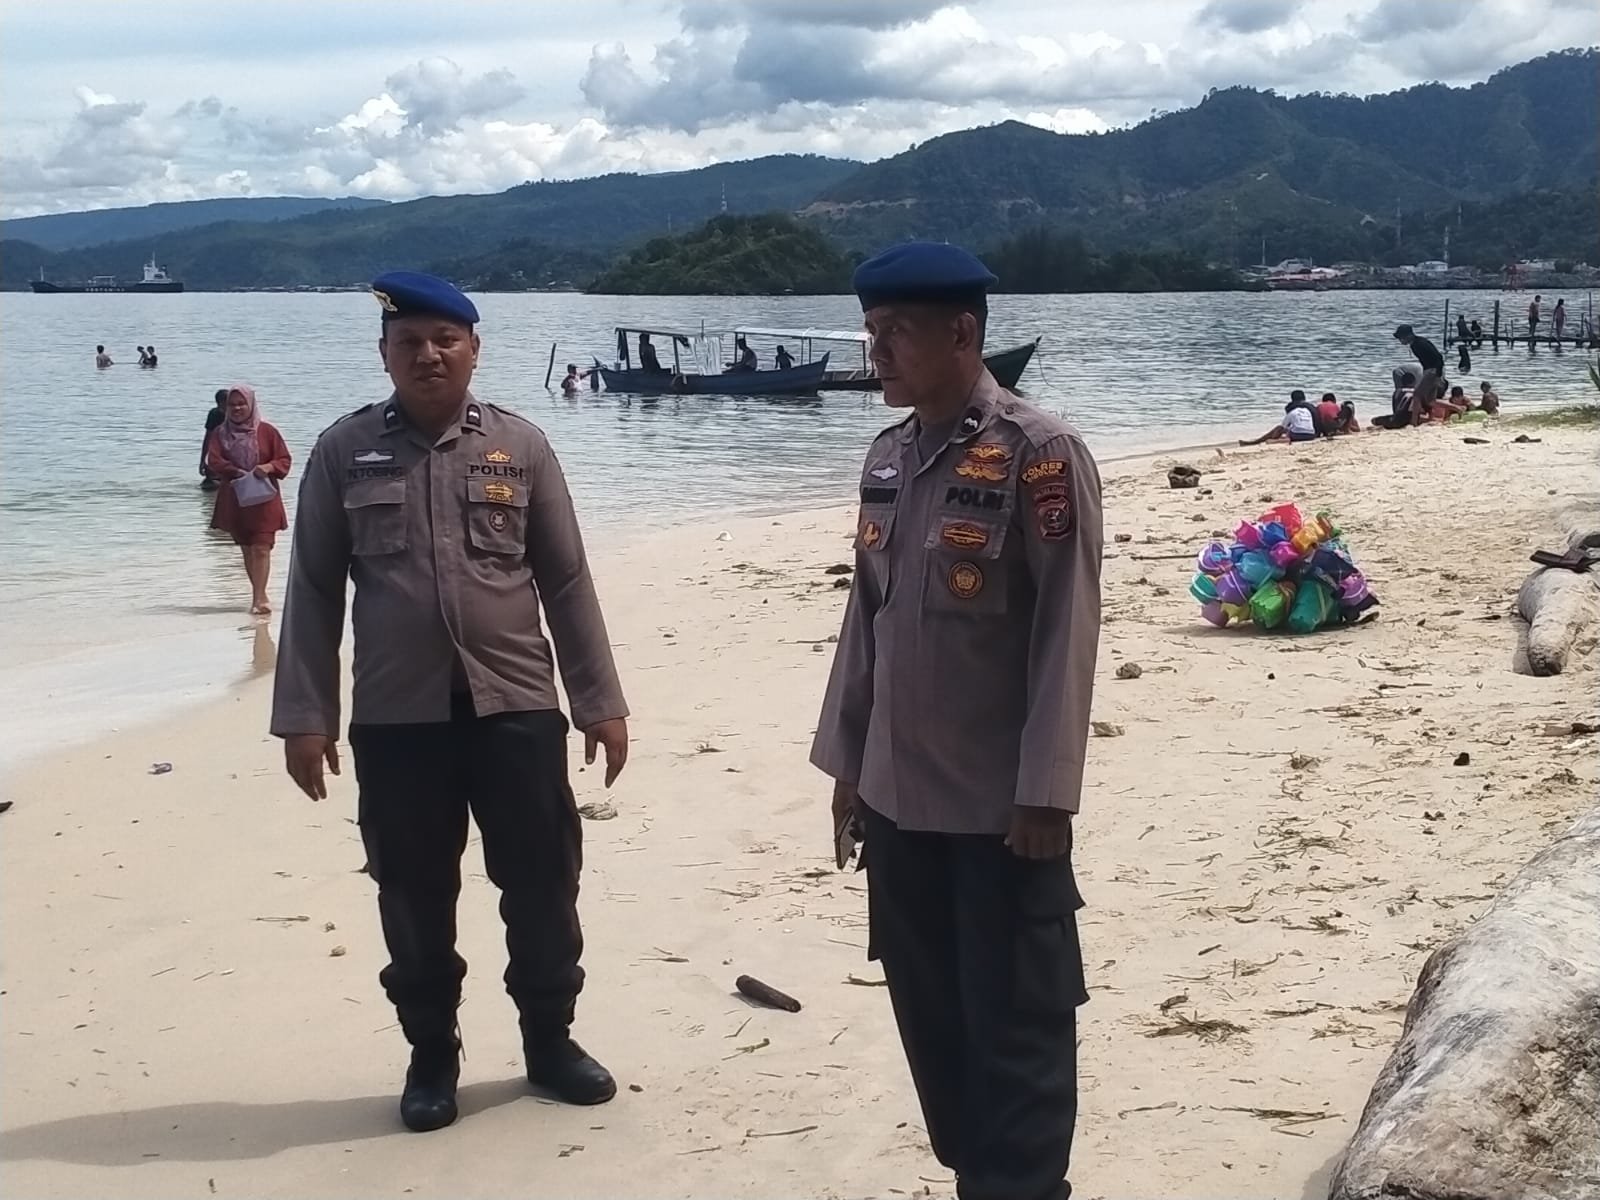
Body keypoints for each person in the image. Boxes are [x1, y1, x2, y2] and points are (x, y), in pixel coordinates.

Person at [270, 270, 630, 1135]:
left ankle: (550, 1041)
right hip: (398, 720)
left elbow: (566, 580)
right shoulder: (343, 450)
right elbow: (313, 588)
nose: (427, 355)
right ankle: (432, 1053)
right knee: (412, 892)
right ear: (384, 354)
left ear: (474, 349)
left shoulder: (521, 446)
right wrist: (305, 717)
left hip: (517, 708)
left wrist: (599, 700)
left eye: (445, 341)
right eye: (409, 343)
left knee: (543, 883)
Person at [812, 242, 1101, 1200]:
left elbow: (1066, 629)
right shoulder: (887, 457)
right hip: (897, 802)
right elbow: (866, 619)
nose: (877, 352)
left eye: (896, 332)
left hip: (998, 815)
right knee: (932, 1026)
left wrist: (1046, 793)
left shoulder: (1038, 453)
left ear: (962, 333)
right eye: (872, 331)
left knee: (1017, 1030)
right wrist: (848, 767)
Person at [205, 385, 291, 615]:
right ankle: (259, 594)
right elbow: (214, 460)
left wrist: (269, 467)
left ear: (251, 405)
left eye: (241, 403)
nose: (237, 408)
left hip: (264, 499)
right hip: (236, 498)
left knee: (262, 548)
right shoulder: (220, 434)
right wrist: (234, 470)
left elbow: (284, 460)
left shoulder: (268, 432)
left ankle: (259, 598)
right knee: (247, 549)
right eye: (232, 405)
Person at [1393, 325, 1444, 426]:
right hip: (1429, 370)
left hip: (1432, 371)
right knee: (1429, 399)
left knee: (1417, 395)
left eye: (1401, 338)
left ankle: (1414, 421)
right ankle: (1431, 418)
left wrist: (1438, 374)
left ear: (1408, 336)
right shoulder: (1415, 344)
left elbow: (1438, 357)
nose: (1400, 341)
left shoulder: (1420, 344)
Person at [1240, 390, 1318, 445]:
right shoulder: (1310, 408)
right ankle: (1262, 441)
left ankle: (1260, 441)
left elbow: (1283, 426)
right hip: (1312, 435)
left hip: (1299, 435)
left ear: (1292, 400)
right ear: (1304, 398)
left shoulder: (1292, 410)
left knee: (1279, 428)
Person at [199, 388, 228, 490]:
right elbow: (208, 437)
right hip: (219, 453)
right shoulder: (215, 414)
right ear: (221, 403)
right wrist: (203, 460)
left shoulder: (235, 414)